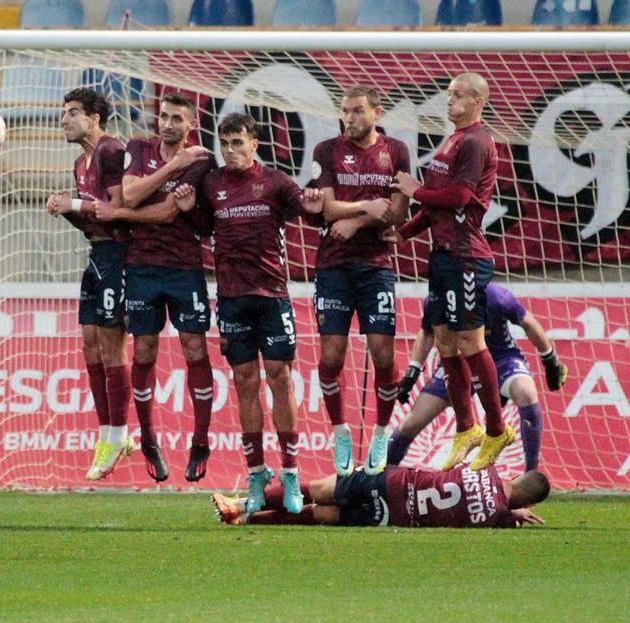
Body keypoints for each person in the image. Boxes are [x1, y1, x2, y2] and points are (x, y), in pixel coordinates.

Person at [174, 112, 323, 513]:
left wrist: (314, 201)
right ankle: (256, 473)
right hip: (232, 297)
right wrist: (190, 209)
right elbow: (205, 227)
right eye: (226, 144)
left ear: (254, 144)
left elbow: (309, 208)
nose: (231, 151)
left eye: (238, 143)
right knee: (244, 382)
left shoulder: (274, 182)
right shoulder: (212, 183)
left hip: (272, 295)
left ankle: (291, 471)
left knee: (281, 379)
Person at [392, 72, 514, 473]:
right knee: (444, 341)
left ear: (479, 101)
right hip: (443, 256)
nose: (450, 101)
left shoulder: (477, 141)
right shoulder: (450, 140)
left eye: (459, 95)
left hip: (466, 256)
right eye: (448, 95)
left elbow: (460, 196)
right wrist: (405, 233)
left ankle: (497, 430)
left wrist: (415, 191)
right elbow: (435, 207)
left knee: (469, 341)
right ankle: (467, 427)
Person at [96, 91, 216, 482]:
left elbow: (167, 213)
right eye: (164, 116)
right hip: (142, 266)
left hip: (184, 266)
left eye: (177, 119)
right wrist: (170, 169)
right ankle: (148, 439)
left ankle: (200, 442)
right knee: (144, 349)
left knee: (194, 347)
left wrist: (121, 213)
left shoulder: (200, 160)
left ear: (191, 125)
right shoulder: (139, 147)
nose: (167, 123)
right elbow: (131, 192)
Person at [309, 85, 410, 476]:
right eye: (345, 111)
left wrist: (355, 220)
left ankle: (382, 431)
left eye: (357, 111)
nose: (349, 118)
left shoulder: (396, 151)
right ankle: (340, 431)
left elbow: (398, 210)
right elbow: (327, 206)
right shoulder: (326, 151)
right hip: (333, 266)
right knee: (330, 358)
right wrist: (364, 207)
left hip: (376, 266)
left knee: (384, 357)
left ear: (376, 112)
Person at [45, 87, 134, 481]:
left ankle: (119, 434)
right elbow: (90, 223)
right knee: (89, 344)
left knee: (113, 345)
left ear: (95, 118)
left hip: (120, 256)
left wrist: (75, 205)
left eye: (73, 113)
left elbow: (119, 208)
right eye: (64, 113)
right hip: (97, 255)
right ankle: (106, 433)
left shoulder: (112, 152)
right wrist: (66, 211)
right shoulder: (80, 163)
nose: (65, 120)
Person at [391, 284, 567, 472]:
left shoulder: (495, 296)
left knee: (526, 393)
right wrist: (413, 370)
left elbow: (528, 322)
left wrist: (550, 360)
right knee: (411, 423)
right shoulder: (437, 298)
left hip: (502, 359)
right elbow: (427, 332)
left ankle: (531, 473)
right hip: (457, 363)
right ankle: (379, 478)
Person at [211, 464, 549, 528]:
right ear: (526, 504)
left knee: (317, 491)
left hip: (395, 482)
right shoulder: (498, 518)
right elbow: (502, 510)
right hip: (391, 516)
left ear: (517, 475)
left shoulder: (485, 468)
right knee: (320, 515)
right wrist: (512, 514)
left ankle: (240, 504)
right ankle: (246, 518)